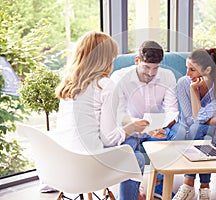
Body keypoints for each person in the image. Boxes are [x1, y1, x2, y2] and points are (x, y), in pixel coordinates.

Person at [54, 30, 149, 200]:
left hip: (62, 165)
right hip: (90, 166)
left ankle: (136, 191)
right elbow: (109, 139)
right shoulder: (104, 85)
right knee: (136, 156)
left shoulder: (69, 85)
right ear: (106, 59)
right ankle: (132, 193)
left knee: (132, 142)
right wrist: (131, 128)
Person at [110, 40, 179, 198]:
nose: (151, 73)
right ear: (137, 61)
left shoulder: (167, 76)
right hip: (131, 127)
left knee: (177, 133)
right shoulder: (120, 77)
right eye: (146, 67)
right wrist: (141, 127)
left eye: (155, 68)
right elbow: (119, 115)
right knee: (130, 152)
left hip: (158, 127)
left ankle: (159, 185)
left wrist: (162, 125)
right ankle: (131, 194)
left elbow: (171, 110)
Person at [172, 48, 216, 200]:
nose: (187, 74)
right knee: (200, 129)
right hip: (186, 129)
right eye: (187, 68)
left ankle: (188, 184)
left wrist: (210, 119)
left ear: (208, 70)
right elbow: (191, 119)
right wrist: (193, 90)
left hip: (204, 132)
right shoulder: (184, 83)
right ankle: (204, 187)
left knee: (204, 130)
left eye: (192, 70)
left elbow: (199, 118)